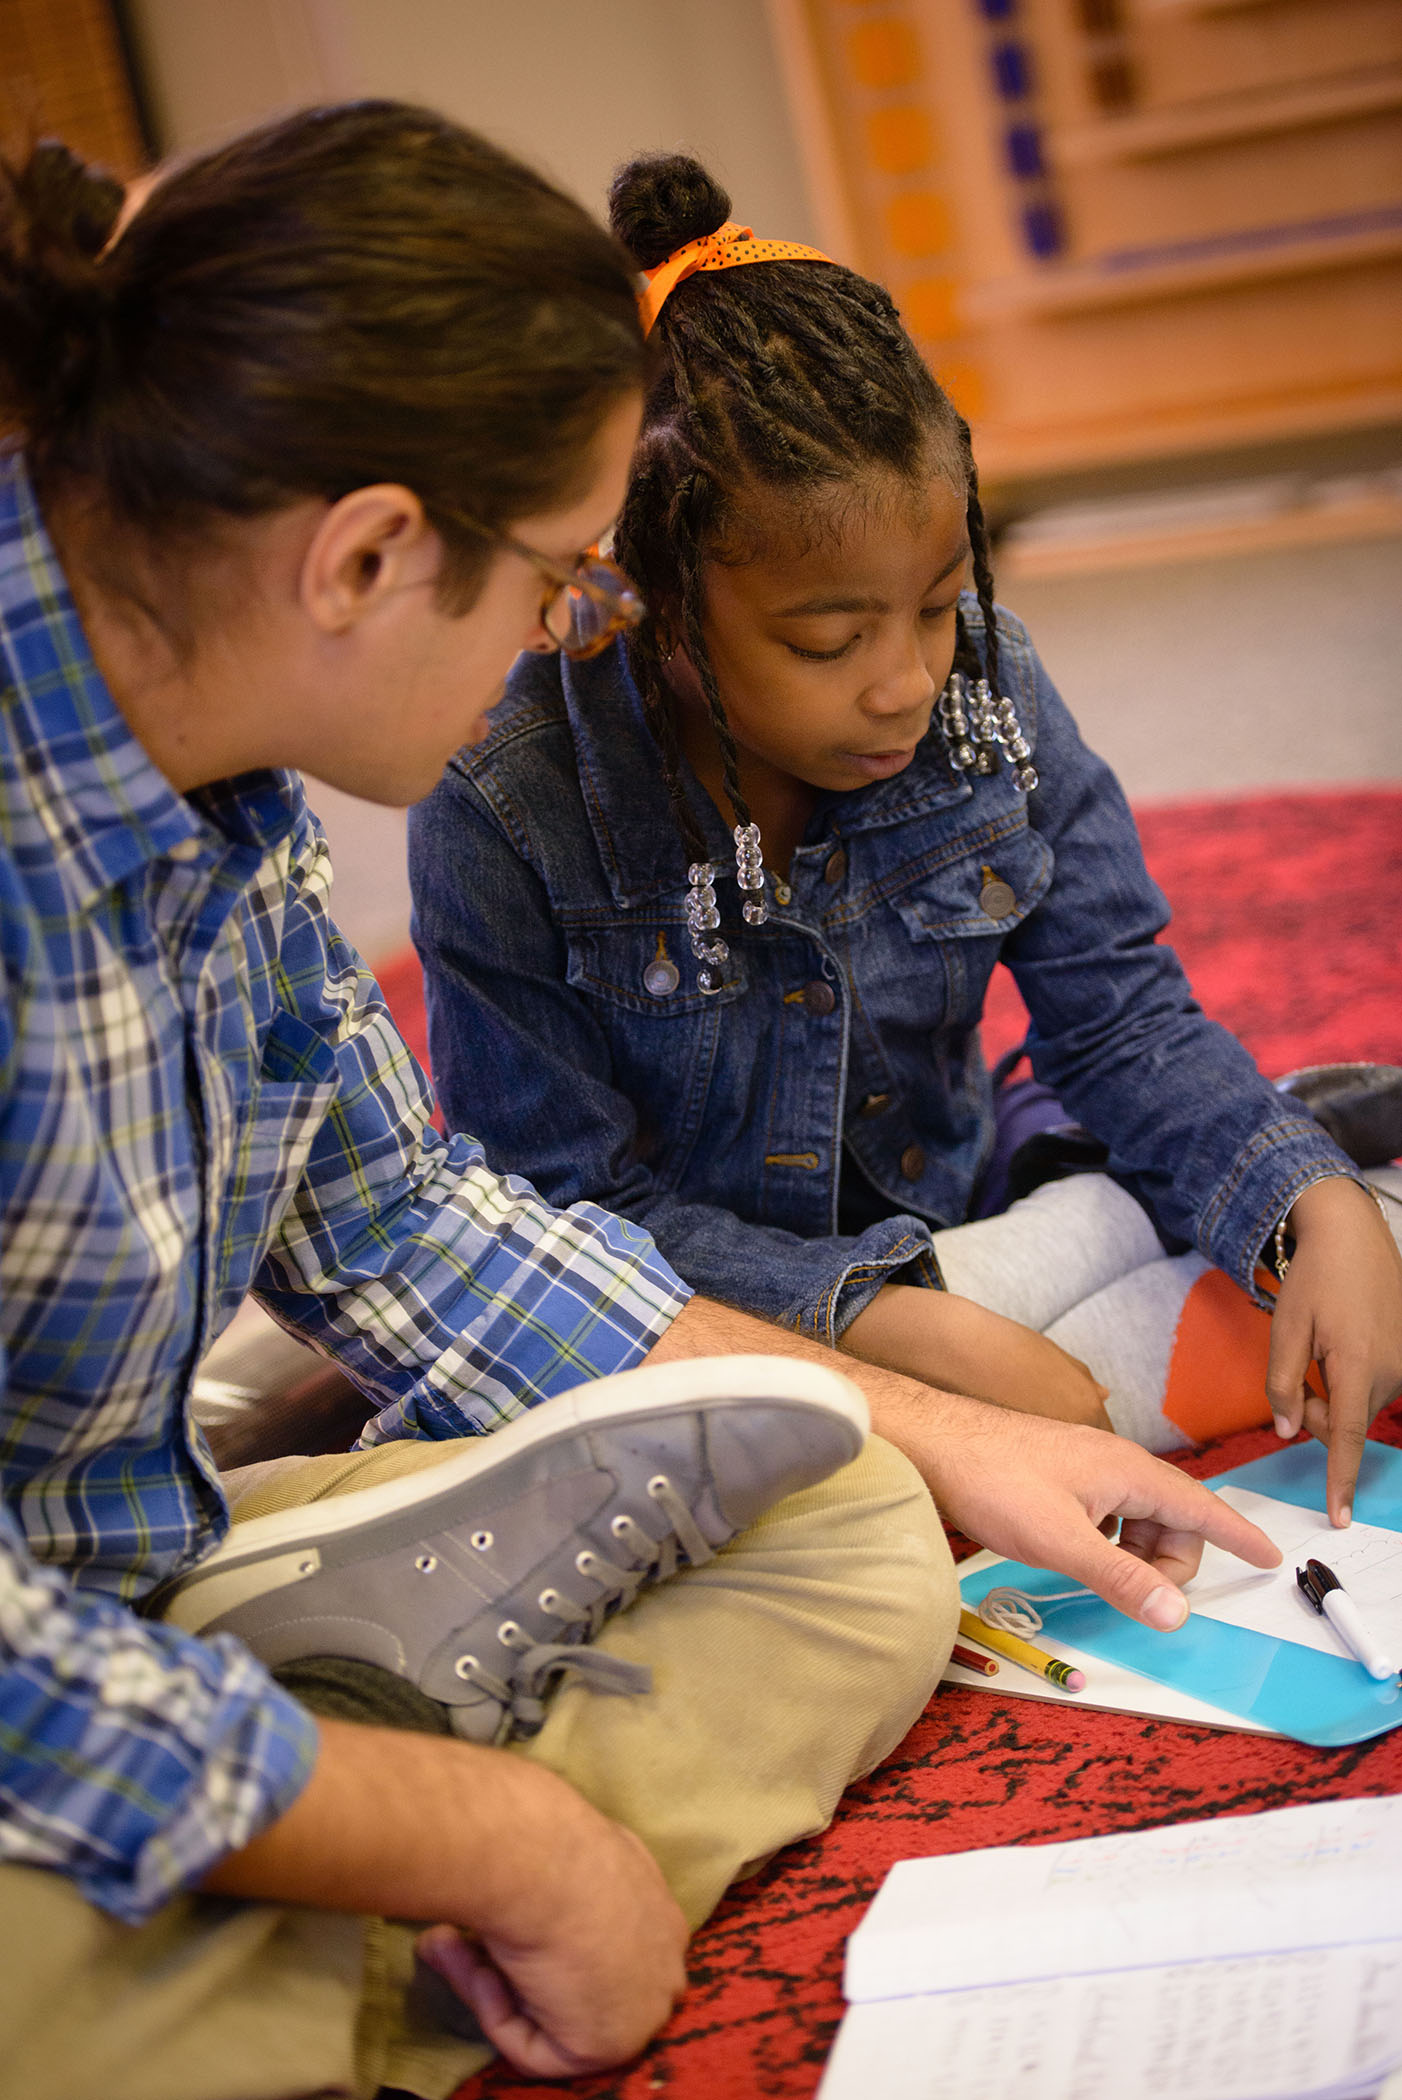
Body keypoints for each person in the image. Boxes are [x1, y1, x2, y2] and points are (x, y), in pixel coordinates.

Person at [0, 109, 1282, 2100]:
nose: (570, 631)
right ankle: (329, 1923)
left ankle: (279, 1885)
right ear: (363, 558)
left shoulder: (215, 809)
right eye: (558, 583)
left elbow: (416, 1227)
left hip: (108, 1559)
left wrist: (941, 1428)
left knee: (849, 1516)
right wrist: (505, 1846)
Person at [409, 153, 1402, 1532]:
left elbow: (1119, 1026)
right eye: (826, 639)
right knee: (645, 1469)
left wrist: (1312, 1206)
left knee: (1319, 1201)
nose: (902, 683)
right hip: (712, 1309)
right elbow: (567, 1208)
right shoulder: (501, 804)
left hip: (979, 1193)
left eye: (936, 607)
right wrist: (876, 1325)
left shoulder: (983, 689)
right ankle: (1008, 1349)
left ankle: (1136, 1252)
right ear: (643, 593)